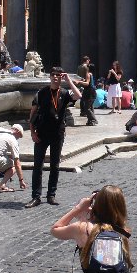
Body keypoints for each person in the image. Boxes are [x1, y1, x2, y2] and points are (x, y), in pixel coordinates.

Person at [50, 185, 134, 273]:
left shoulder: (82, 228)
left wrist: (78, 208)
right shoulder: (123, 230)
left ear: (96, 204)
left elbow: (55, 229)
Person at [26, 67, 82, 208]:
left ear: (61, 77)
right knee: (38, 166)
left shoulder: (64, 93)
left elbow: (78, 95)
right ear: (50, 76)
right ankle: (36, 197)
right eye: (53, 75)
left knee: (55, 166)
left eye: (58, 75)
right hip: (41, 133)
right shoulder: (41, 93)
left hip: (57, 134)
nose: (56, 77)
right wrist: (32, 132)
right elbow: (32, 113)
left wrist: (68, 80)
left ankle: (51, 195)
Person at [77, 56, 98, 125]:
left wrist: (79, 82)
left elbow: (87, 83)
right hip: (90, 91)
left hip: (89, 92)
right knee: (90, 107)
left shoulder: (88, 74)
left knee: (87, 108)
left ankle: (93, 120)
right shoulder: (90, 74)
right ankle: (90, 121)